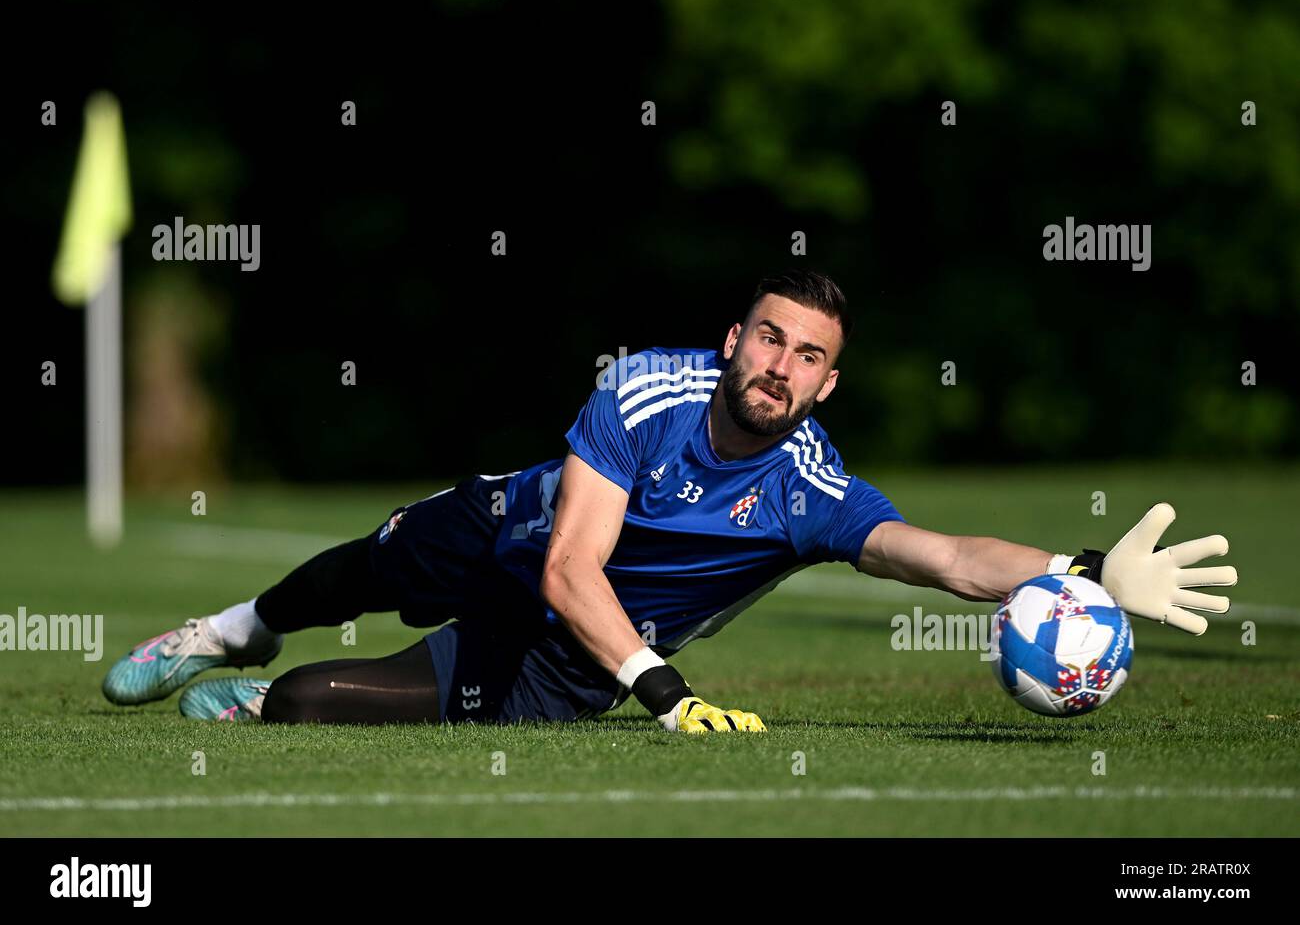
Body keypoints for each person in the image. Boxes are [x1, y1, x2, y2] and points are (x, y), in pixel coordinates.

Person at [101, 269, 1237, 732]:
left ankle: (259, 703)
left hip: (567, 658)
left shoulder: (809, 489)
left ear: (825, 383)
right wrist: (670, 696)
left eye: (808, 357)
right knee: (373, 562)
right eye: (769, 339)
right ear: (733, 339)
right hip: (524, 538)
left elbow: (938, 554)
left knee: (312, 707)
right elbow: (567, 565)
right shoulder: (645, 387)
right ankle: (226, 631)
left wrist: (1078, 571)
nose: (780, 366)